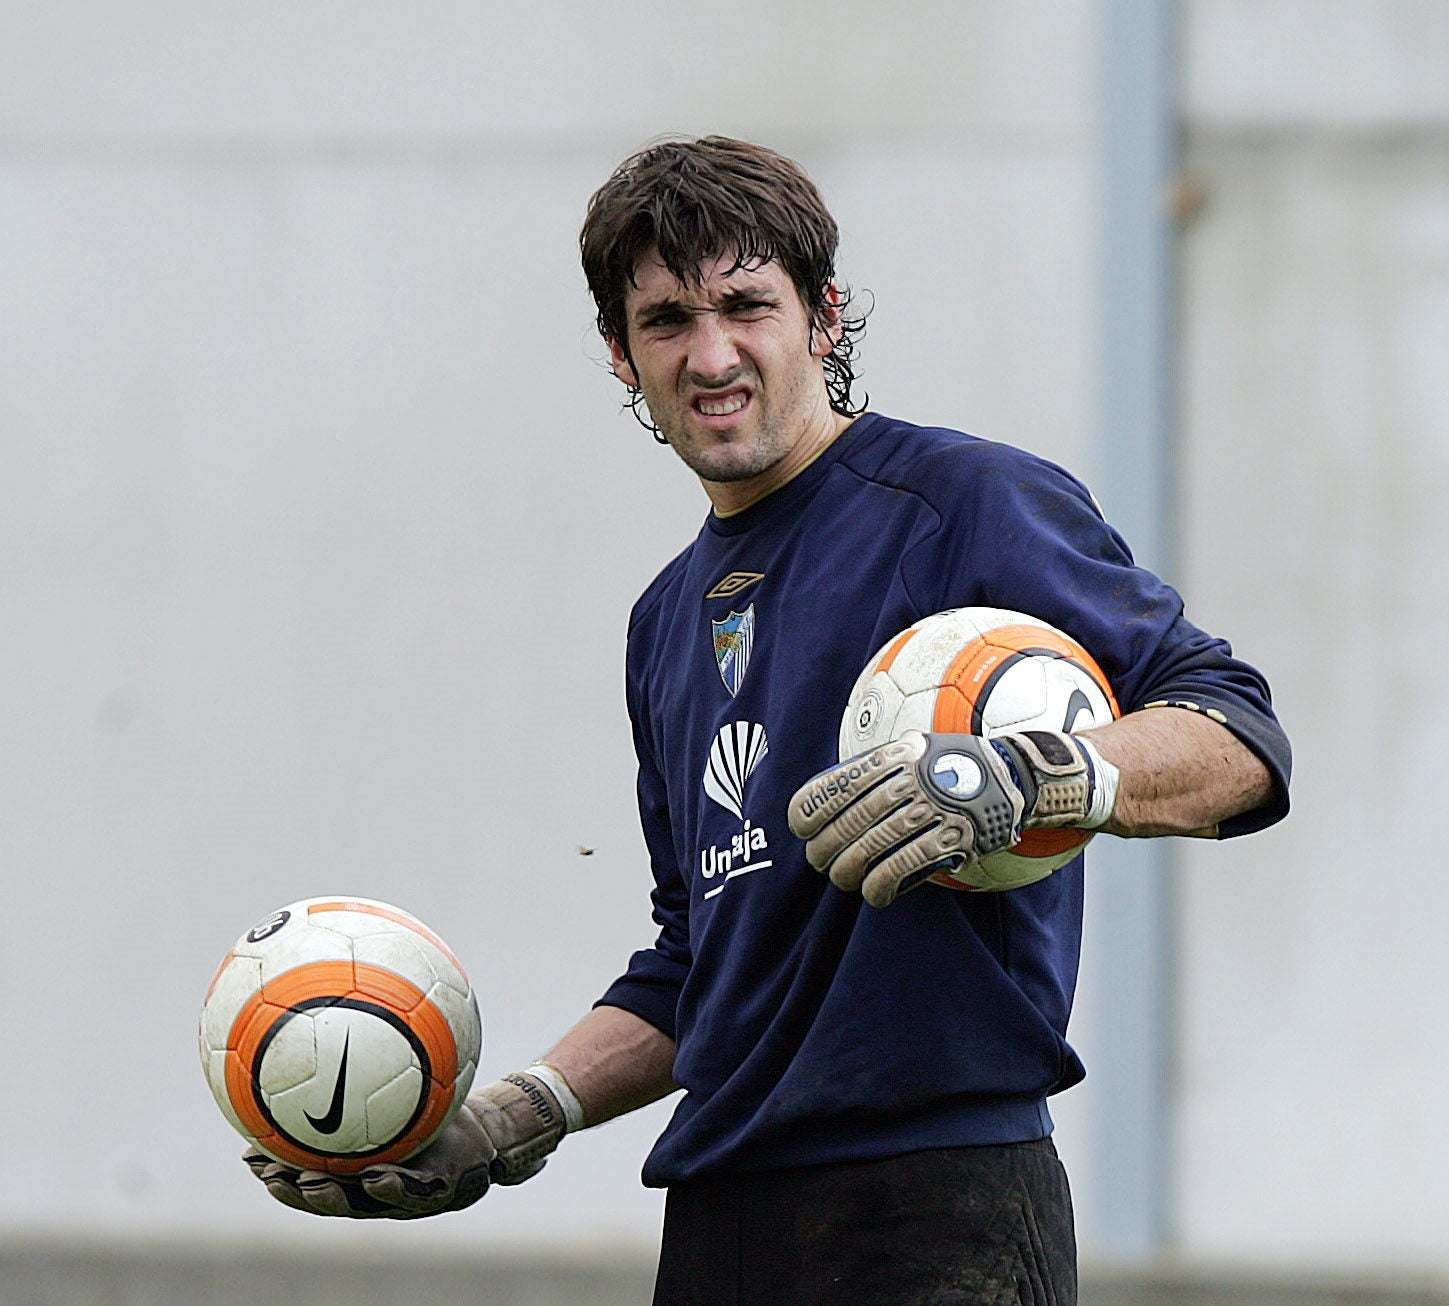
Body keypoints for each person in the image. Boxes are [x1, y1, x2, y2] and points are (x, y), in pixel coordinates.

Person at [248, 136, 1291, 1305]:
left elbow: (1234, 734)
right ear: (618, 355)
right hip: (722, 1222)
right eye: (666, 320)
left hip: (938, 1210)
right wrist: (511, 1114)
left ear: (824, 317)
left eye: (747, 304)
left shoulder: (963, 506)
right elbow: (703, 958)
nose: (711, 354)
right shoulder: (664, 619)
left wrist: (1031, 776)